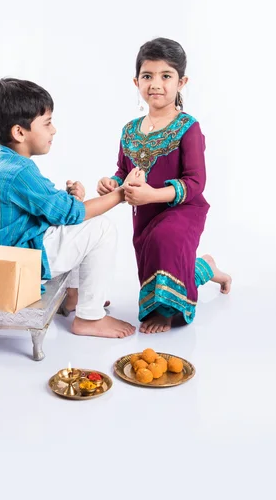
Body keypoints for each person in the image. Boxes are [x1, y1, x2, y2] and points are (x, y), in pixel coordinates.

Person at [0, 78, 136, 338]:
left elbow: (49, 207)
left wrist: (74, 200)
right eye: (47, 123)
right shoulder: (19, 171)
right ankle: (89, 317)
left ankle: (73, 297)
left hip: (6, 254)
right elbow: (70, 214)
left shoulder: (1, 161)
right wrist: (120, 194)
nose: (54, 130)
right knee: (101, 228)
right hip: (17, 264)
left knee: (77, 226)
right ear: (19, 132)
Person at [97, 38, 231, 333]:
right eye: (148, 76)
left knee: (166, 239)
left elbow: (196, 181)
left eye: (165, 76)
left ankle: (169, 312)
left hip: (183, 208)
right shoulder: (129, 130)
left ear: (181, 82)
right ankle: (207, 267)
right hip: (145, 212)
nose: (155, 84)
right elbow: (124, 169)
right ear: (136, 81)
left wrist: (153, 195)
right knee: (160, 255)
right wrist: (112, 183)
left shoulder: (188, 127)